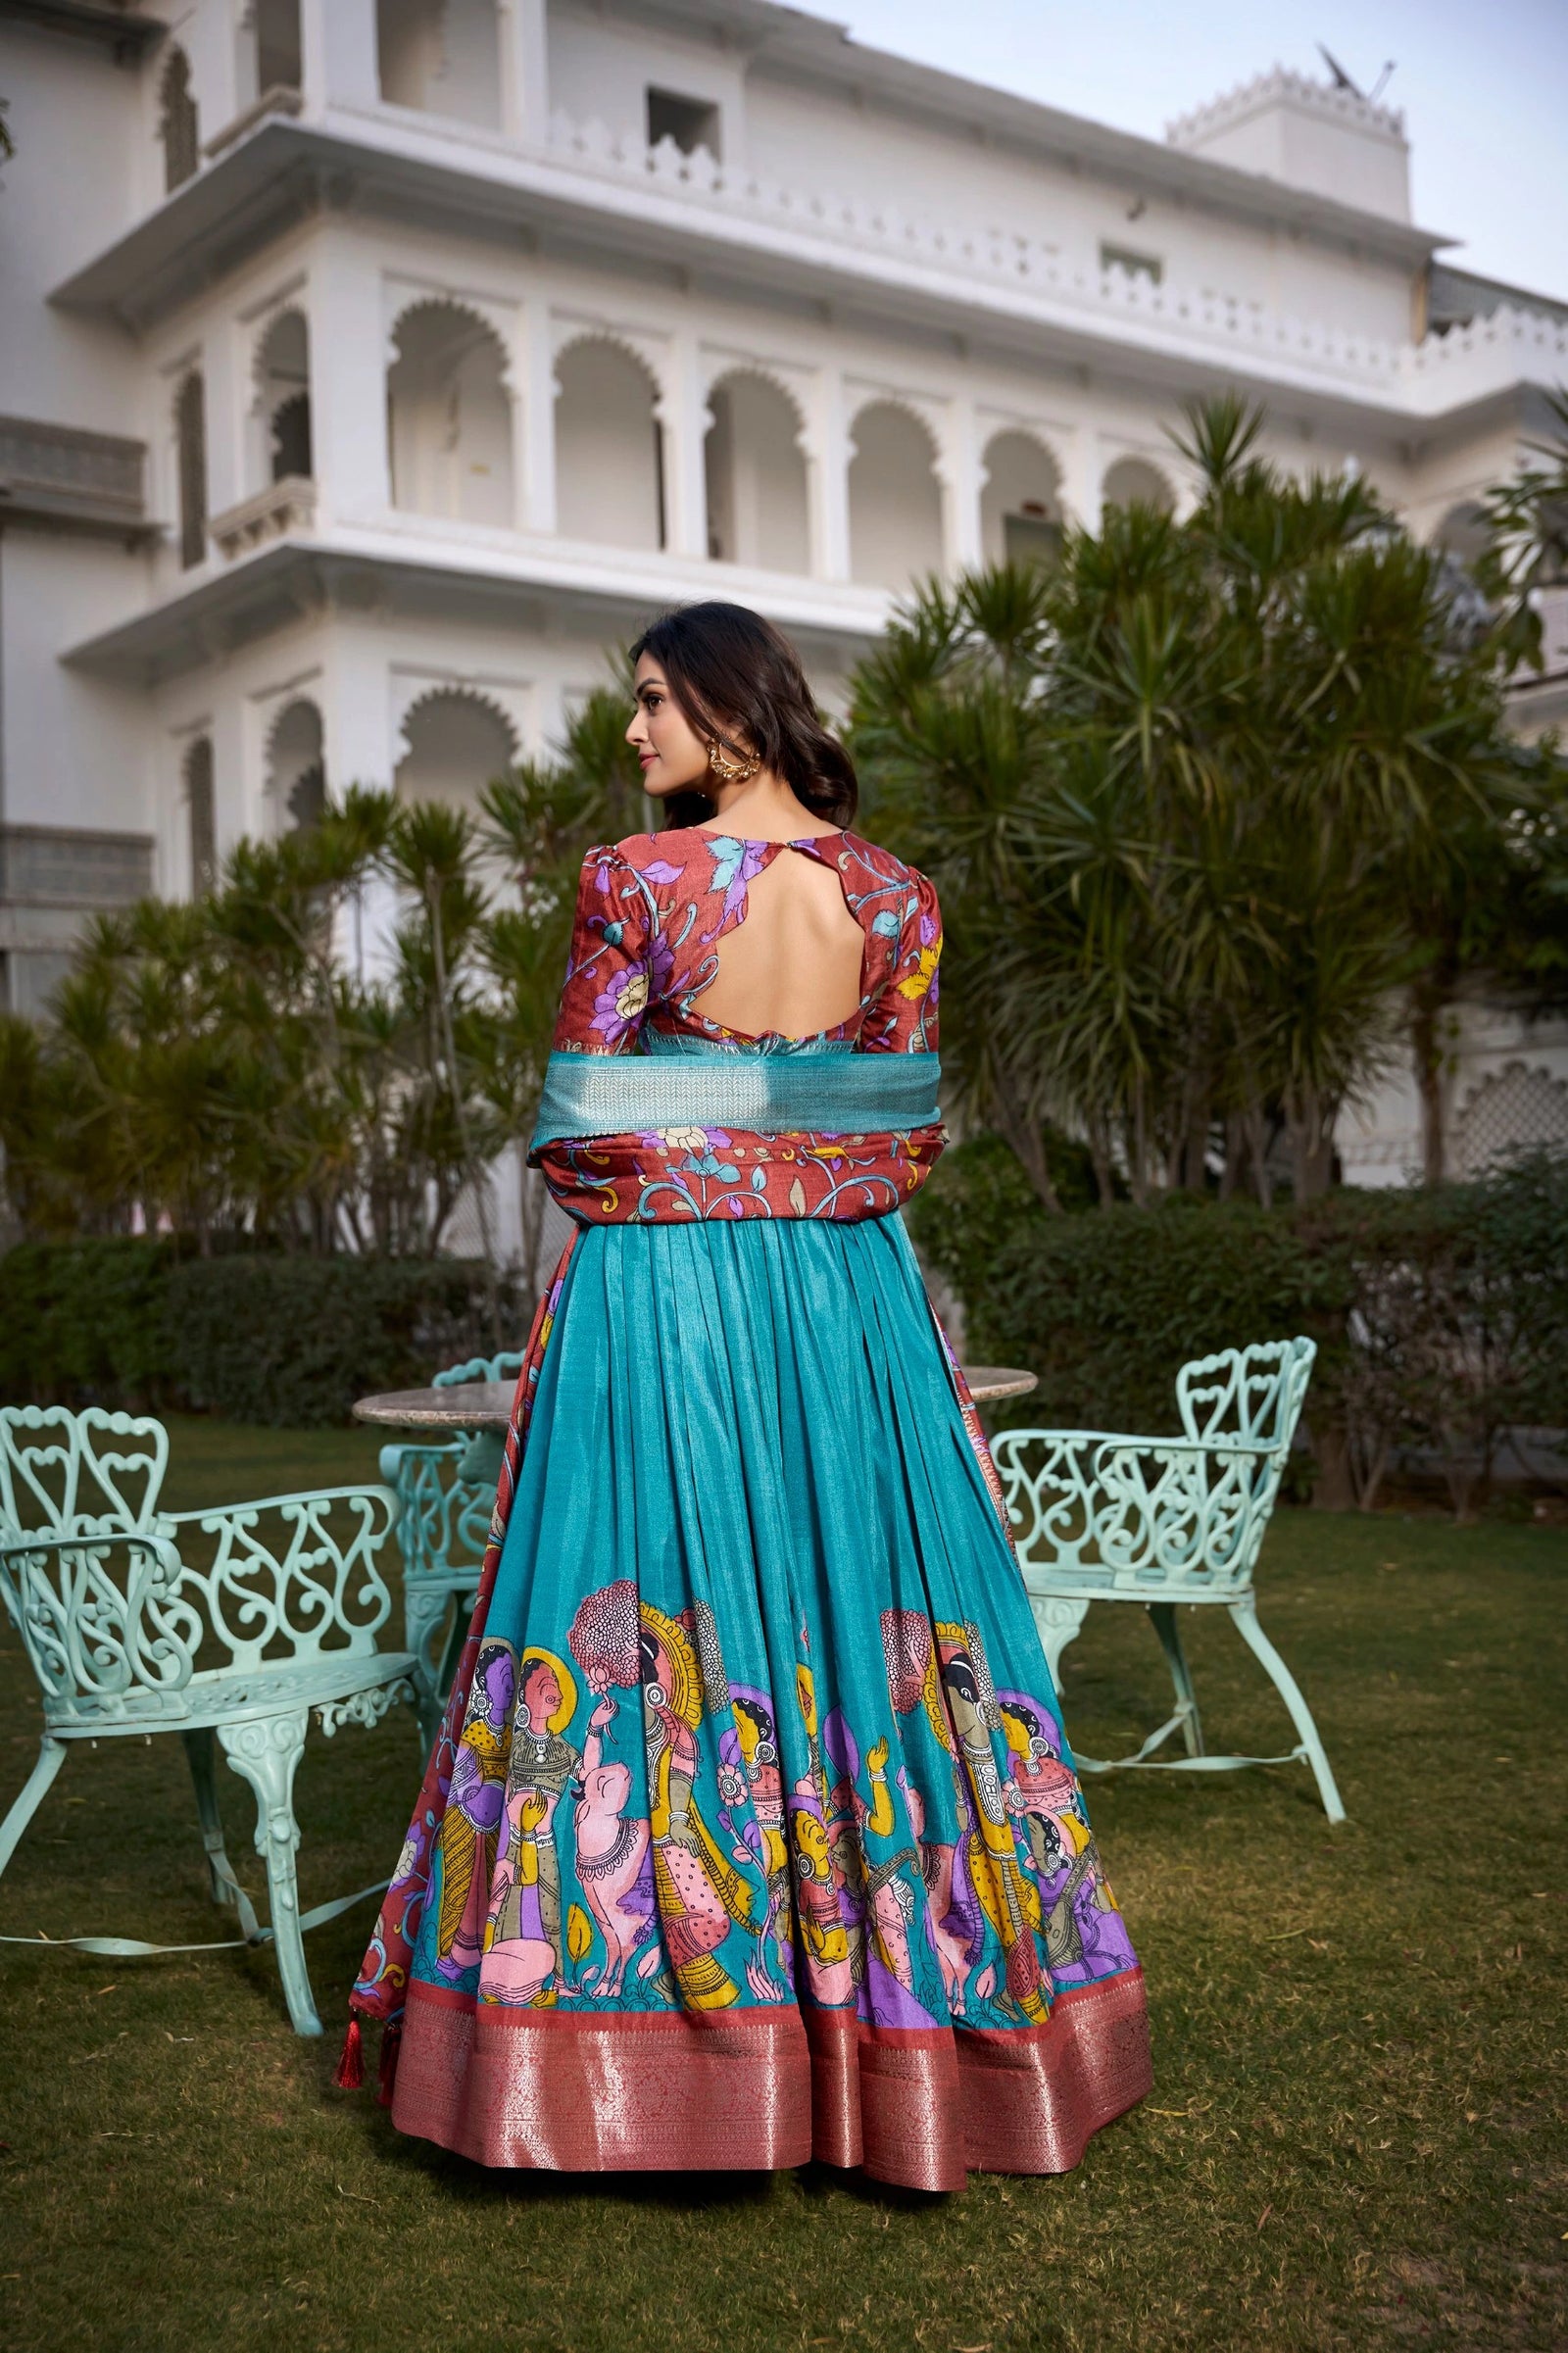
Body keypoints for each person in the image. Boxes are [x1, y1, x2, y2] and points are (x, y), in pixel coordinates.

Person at [343, 602, 1150, 2190]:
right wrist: (794, 1139)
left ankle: (670, 2040)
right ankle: (904, 2026)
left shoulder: (635, 882)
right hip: (849, 1293)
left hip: (663, 1294)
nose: (633, 731)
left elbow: (584, 1131)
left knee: (658, 1602)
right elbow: (894, 1139)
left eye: (654, 699)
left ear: (728, 707)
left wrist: (692, 1127)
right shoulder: (896, 900)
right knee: (860, 1617)